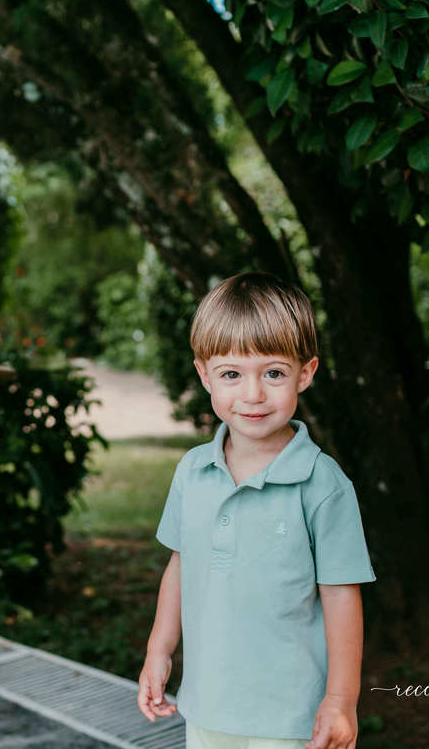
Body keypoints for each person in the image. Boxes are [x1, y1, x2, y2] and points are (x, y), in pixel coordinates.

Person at [136, 272, 376, 749]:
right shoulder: (192, 471)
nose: (252, 395)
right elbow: (181, 564)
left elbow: (341, 595)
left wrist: (341, 699)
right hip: (207, 705)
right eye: (231, 374)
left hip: (292, 717)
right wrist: (159, 649)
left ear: (304, 374)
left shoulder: (322, 484)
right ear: (205, 374)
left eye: (273, 373)